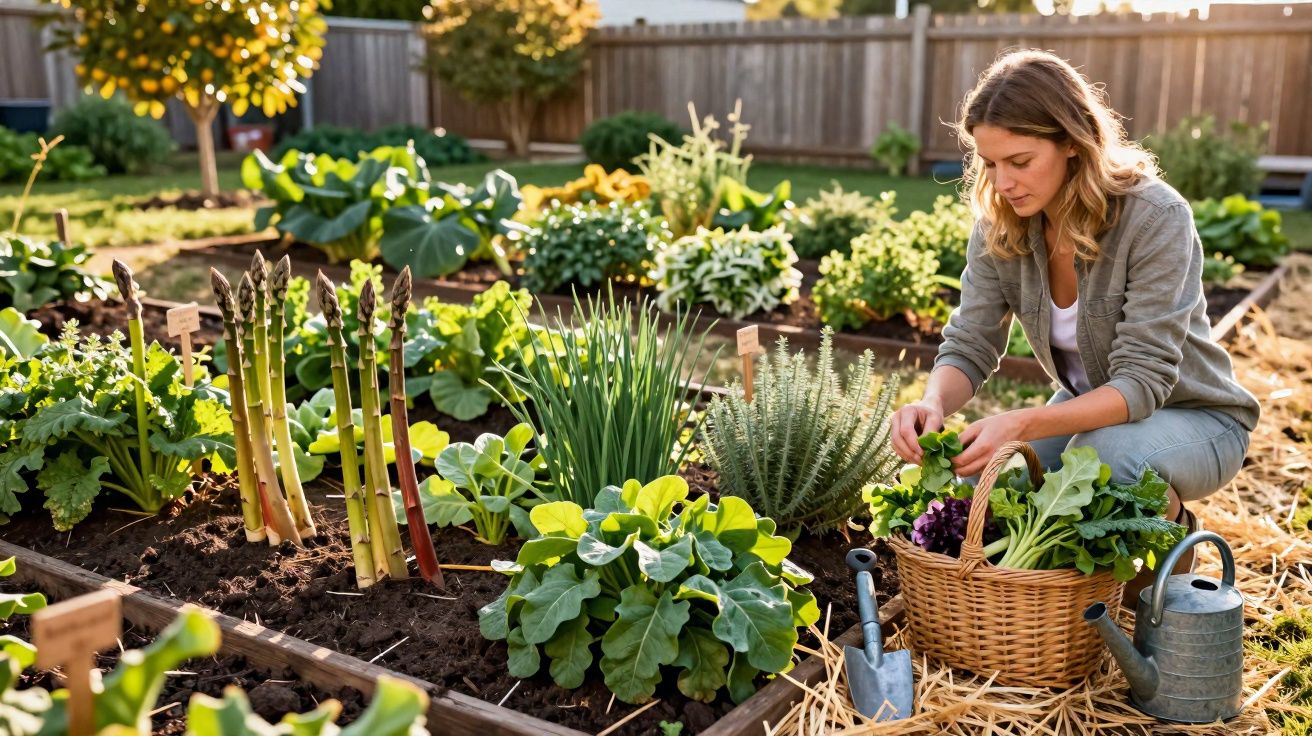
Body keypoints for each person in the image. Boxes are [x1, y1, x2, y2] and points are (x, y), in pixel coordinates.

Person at [888, 49, 1260, 583]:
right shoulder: (1001, 225)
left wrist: (1019, 422)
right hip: (1092, 409)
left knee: (1103, 457)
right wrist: (931, 403)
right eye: (990, 164)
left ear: (1071, 143)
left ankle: (1171, 546)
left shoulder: (1155, 218)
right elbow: (970, 342)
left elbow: (1141, 383)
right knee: (988, 482)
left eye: (1020, 161)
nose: (1004, 182)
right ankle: (1052, 606)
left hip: (1200, 419)